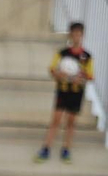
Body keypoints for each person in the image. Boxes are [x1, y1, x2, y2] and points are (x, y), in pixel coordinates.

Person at [38, 21, 92, 164]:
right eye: (74, 34)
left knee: (71, 121)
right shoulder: (62, 53)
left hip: (76, 92)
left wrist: (80, 78)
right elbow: (52, 69)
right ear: (70, 35)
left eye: (79, 34)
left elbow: (90, 76)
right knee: (56, 119)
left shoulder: (86, 56)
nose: (76, 37)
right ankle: (46, 147)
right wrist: (59, 74)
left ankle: (66, 148)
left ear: (82, 36)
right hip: (63, 91)